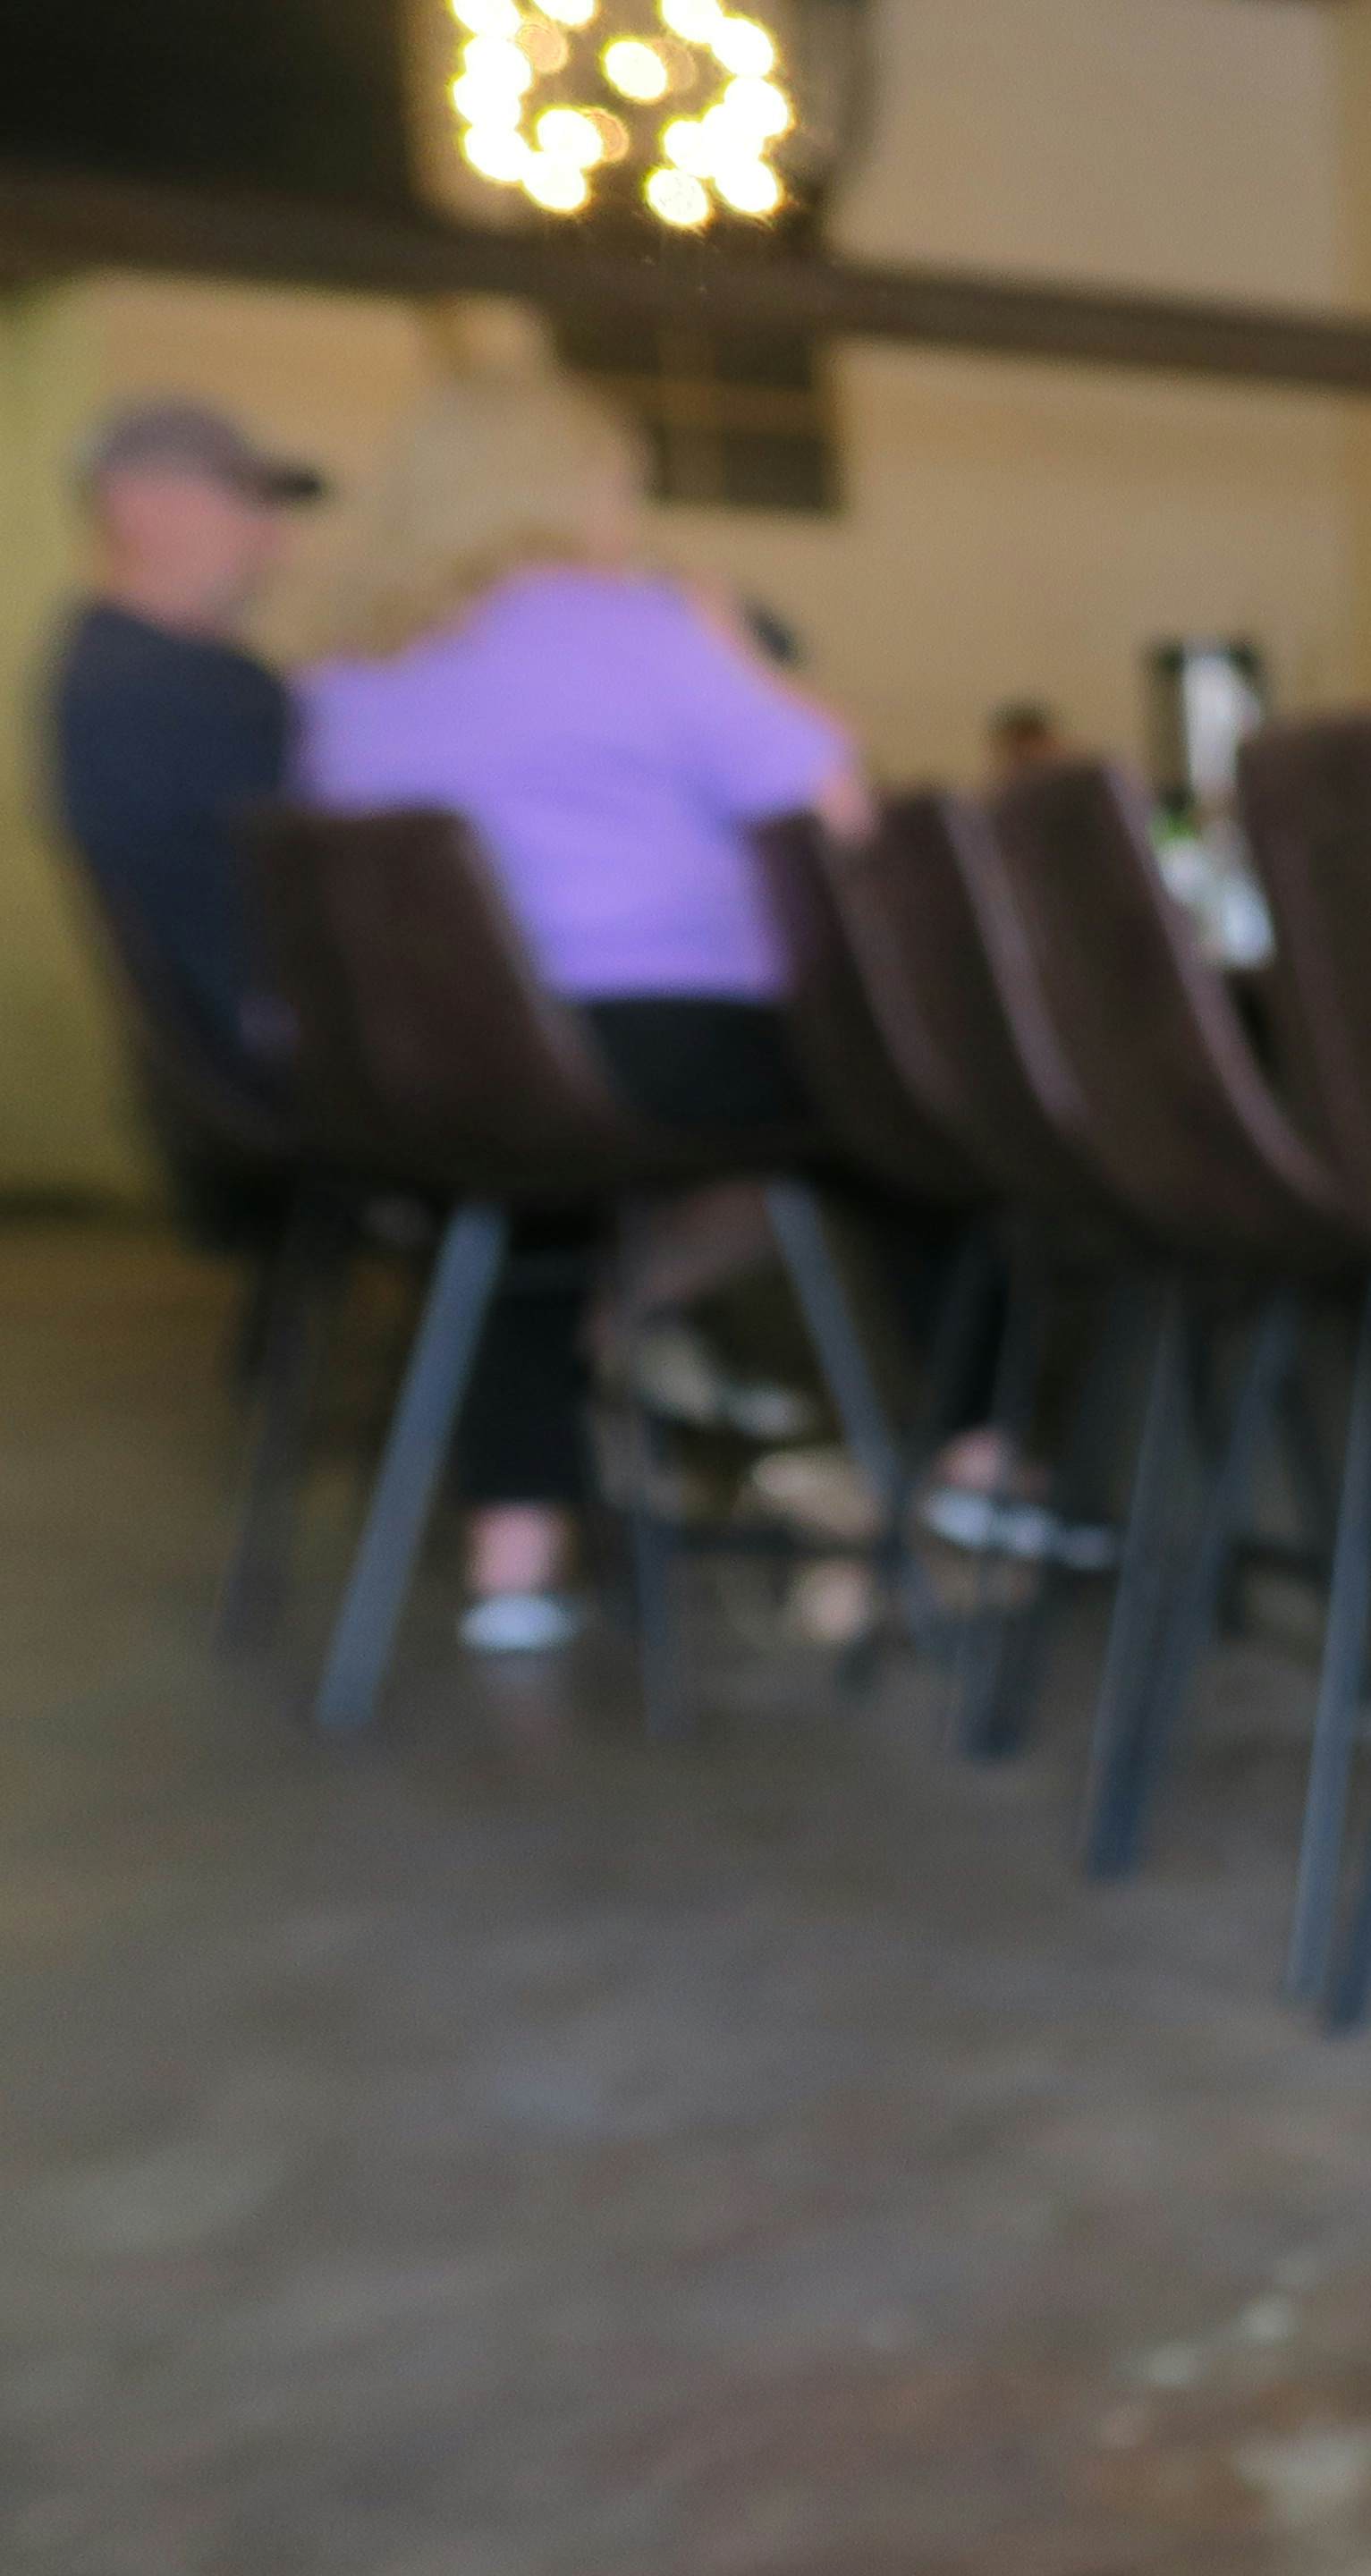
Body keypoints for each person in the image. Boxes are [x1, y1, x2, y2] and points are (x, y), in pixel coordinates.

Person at [297, 368, 879, 1657]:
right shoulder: (633, 627)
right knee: (924, 1129)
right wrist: (728, 648)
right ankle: (970, 1471)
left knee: (519, 1219)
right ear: (574, 490)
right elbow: (842, 812)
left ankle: (518, 1564)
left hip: (428, 1071)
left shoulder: (349, 670)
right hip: (649, 1045)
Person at [40, 397, 321, 1198]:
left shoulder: (100, 668)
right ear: (135, 505)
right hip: (295, 1064)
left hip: (225, 1075)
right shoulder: (189, 687)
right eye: (245, 503)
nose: (275, 540)